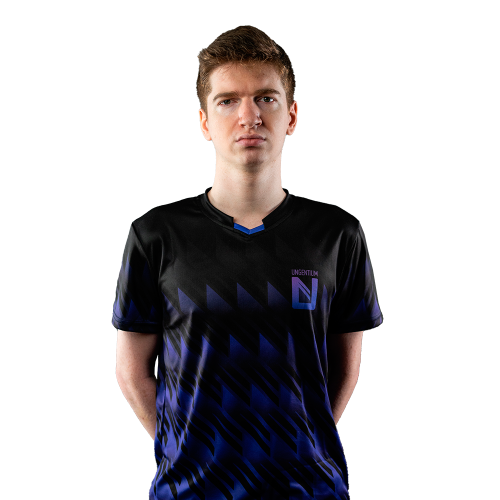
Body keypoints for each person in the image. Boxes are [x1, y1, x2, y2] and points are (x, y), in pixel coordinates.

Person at [112, 25, 383, 500]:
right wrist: (182, 451)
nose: (249, 116)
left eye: (266, 98)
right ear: (204, 123)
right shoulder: (155, 234)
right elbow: (131, 372)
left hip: (310, 491)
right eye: (228, 101)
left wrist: (304, 445)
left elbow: (345, 370)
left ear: (291, 115)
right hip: (189, 493)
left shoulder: (338, 233)